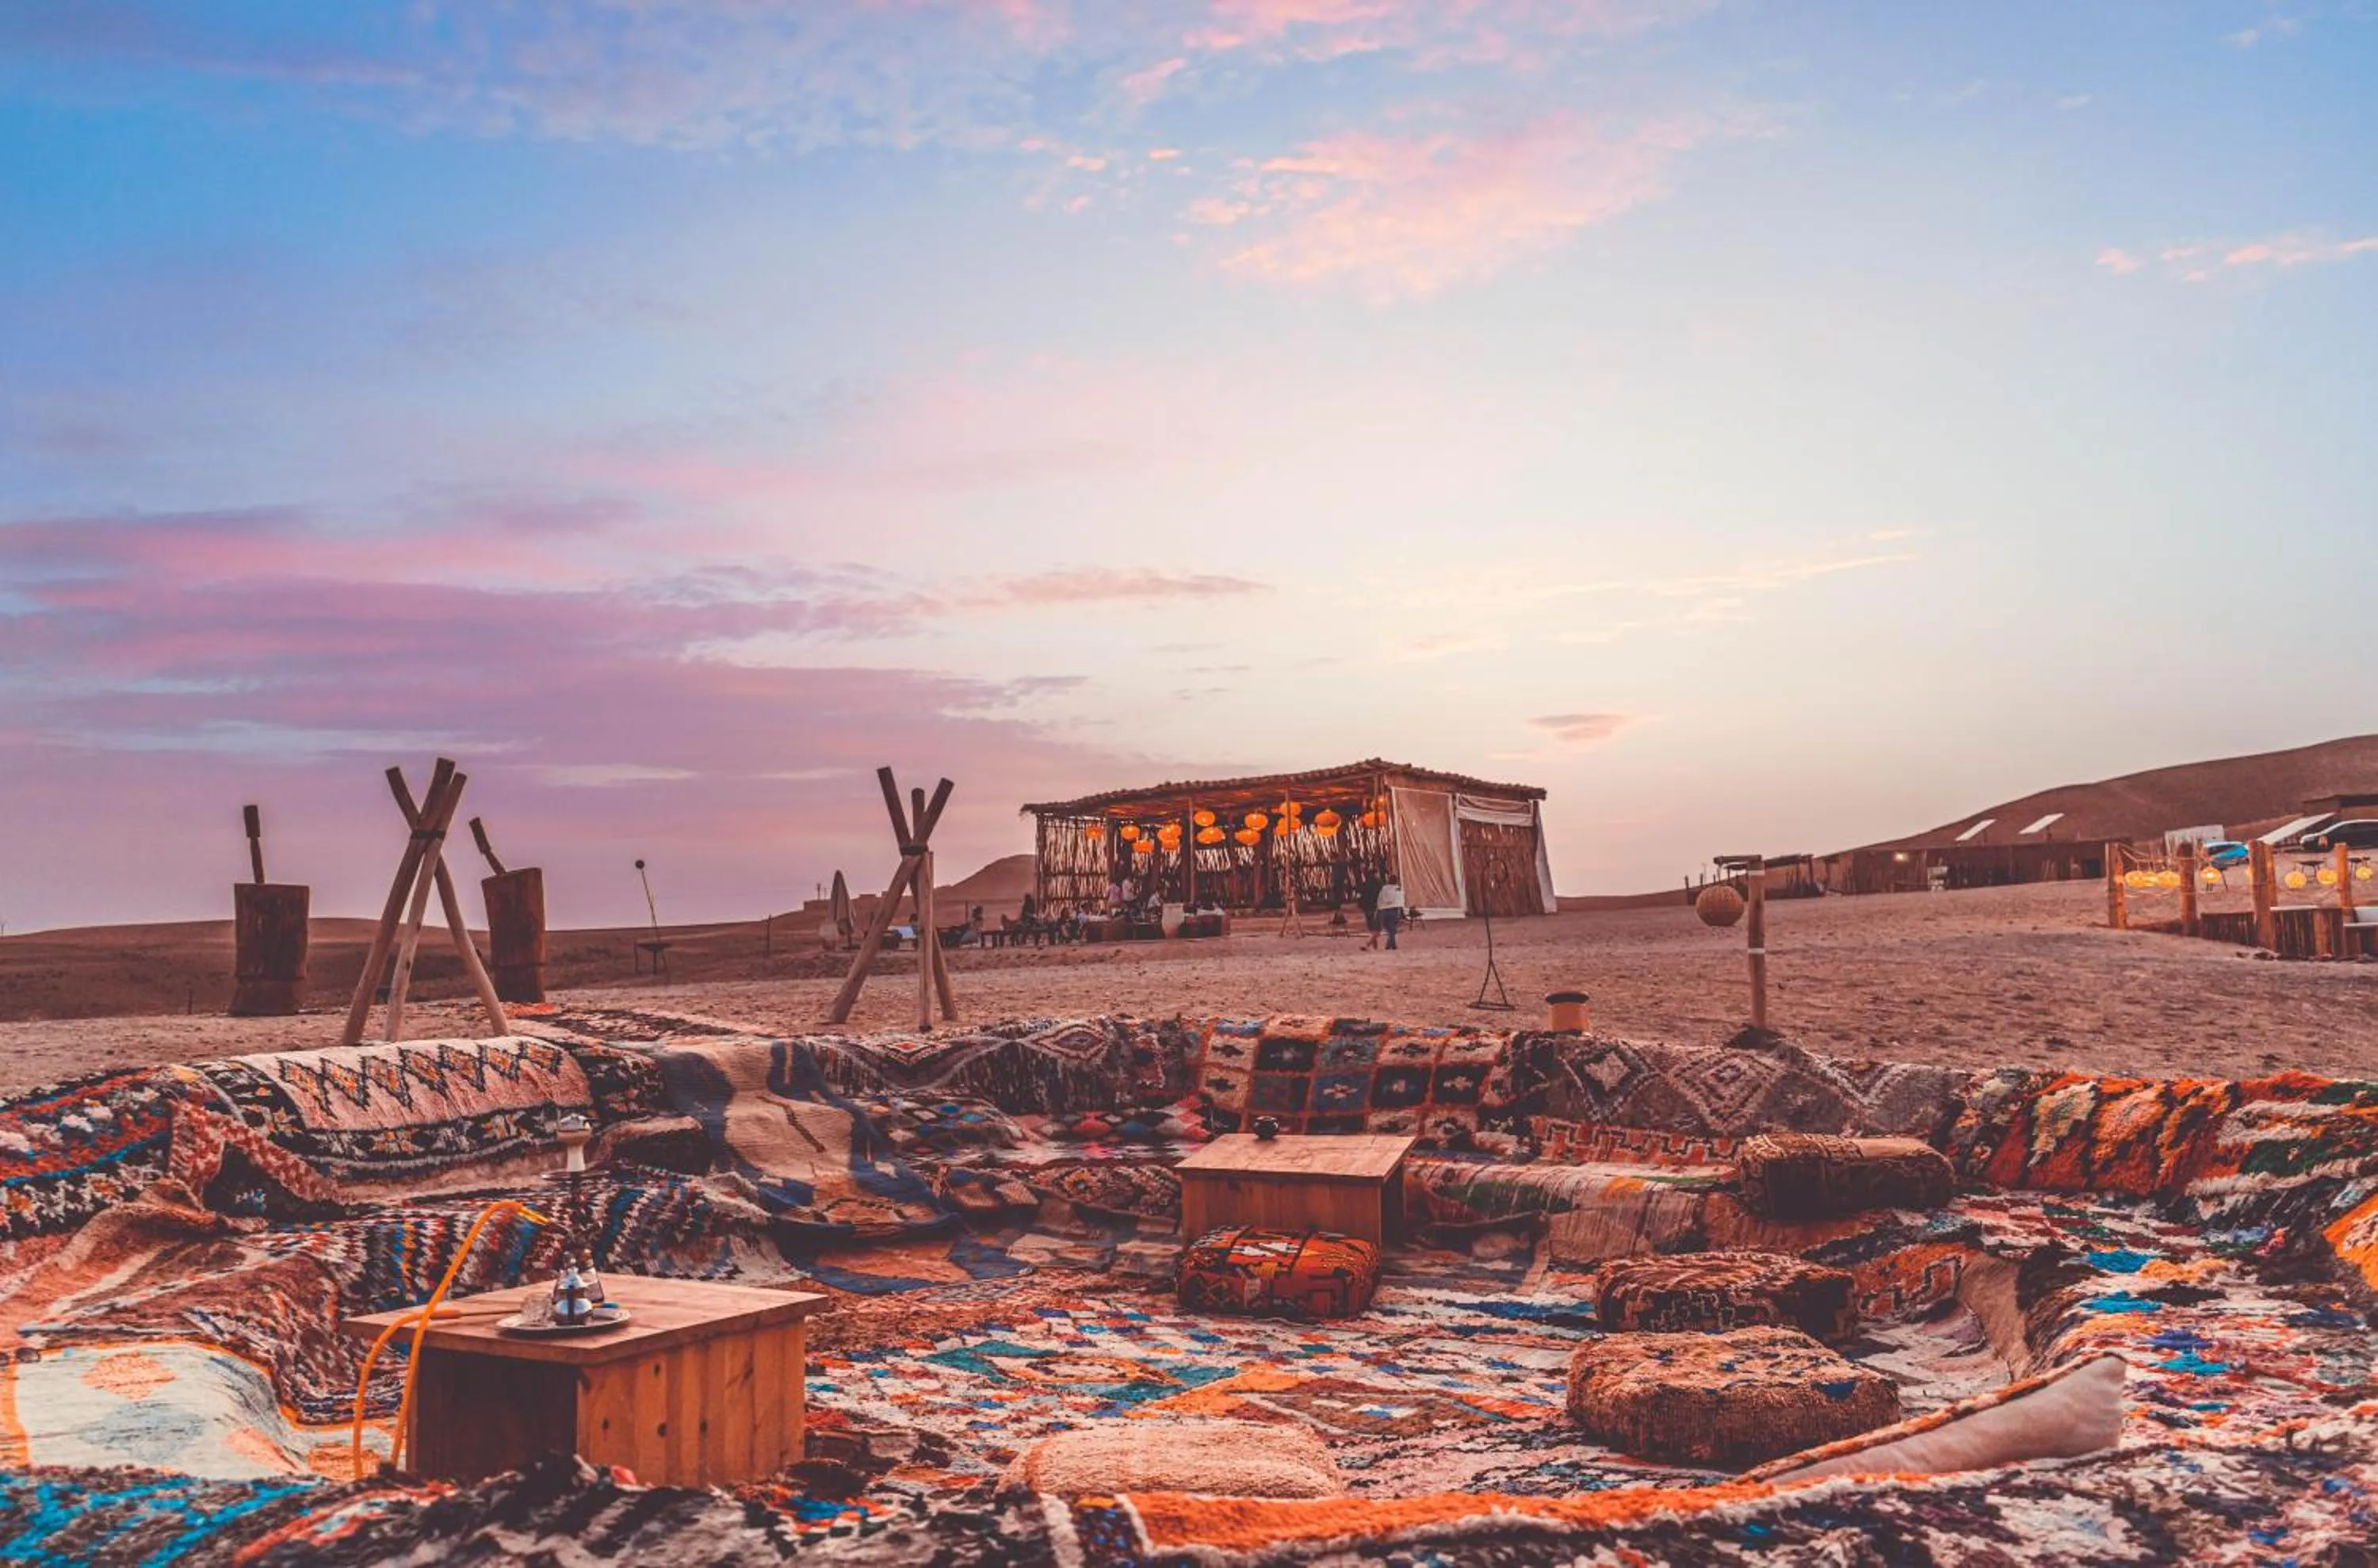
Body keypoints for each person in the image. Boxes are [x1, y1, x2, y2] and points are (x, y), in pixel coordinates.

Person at [1375, 878, 1406, 950]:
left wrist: (1379, 908)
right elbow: (1401, 899)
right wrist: (1401, 910)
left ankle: (1390, 944)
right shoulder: (1398, 889)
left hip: (1384, 910)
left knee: (1388, 927)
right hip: (1394, 910)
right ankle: (1391, 944)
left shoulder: (1384, 889)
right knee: (1392, 928)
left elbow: (1380, 899)